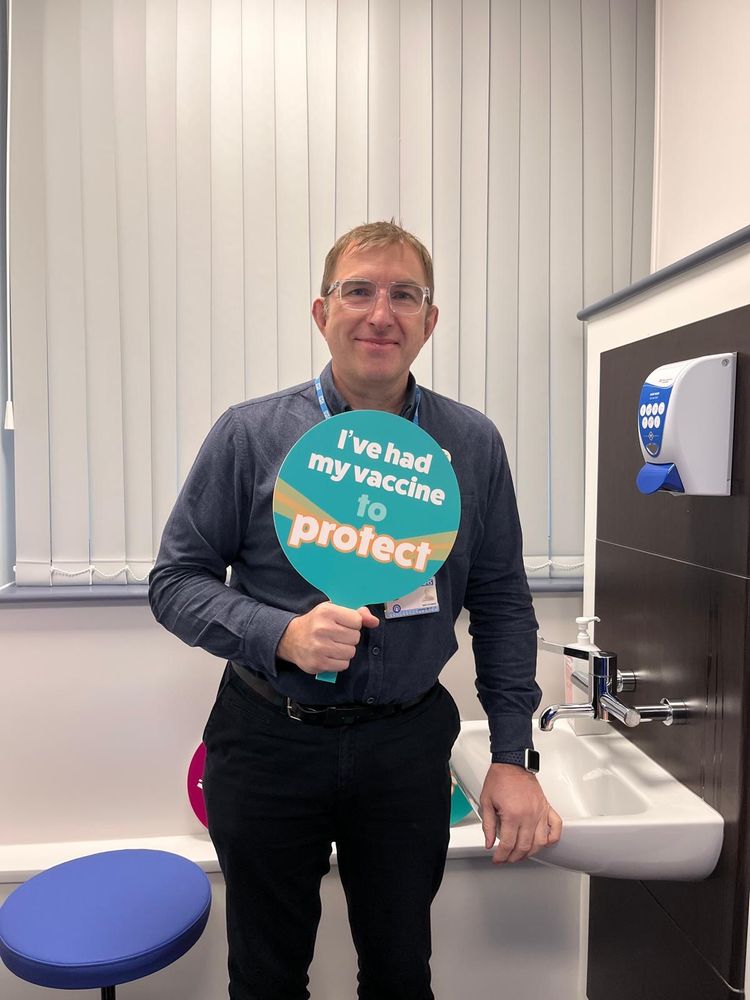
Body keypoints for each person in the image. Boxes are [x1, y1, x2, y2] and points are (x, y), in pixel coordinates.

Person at [149, 221, 562, 1000]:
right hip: (269, 739)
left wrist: (512, 756)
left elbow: (504, 604)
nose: (382, 313)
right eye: (359, 291)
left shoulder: (470, 445)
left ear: (430, 321)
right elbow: (175, 581)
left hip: (404, 748)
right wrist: (282, 634)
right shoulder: (251, 434)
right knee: (266, 978)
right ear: (321, 312)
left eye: (405, 295)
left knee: (402, 971)